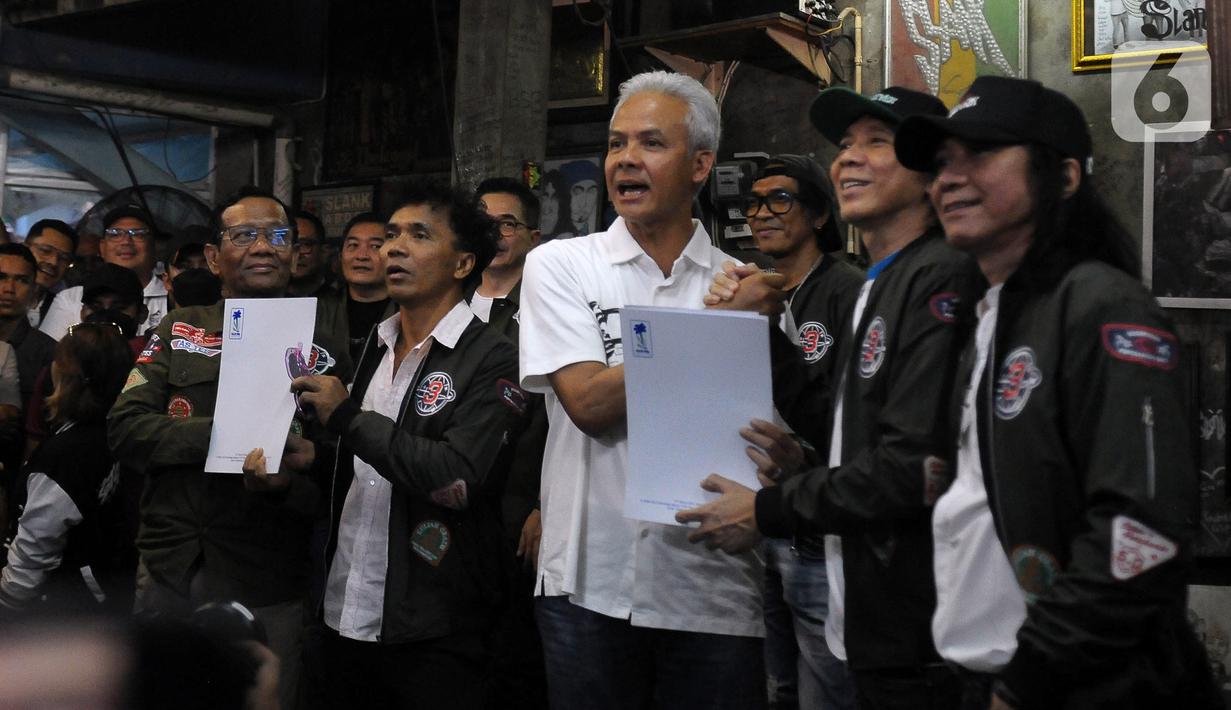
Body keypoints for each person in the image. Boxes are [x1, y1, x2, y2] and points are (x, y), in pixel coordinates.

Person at [892, 75, 1222, 710]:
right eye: (940, 164)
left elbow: (1141, 531)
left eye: (981, 153)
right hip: (983, 677)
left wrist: (1028, 682)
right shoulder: (985, 312)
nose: (948, 179)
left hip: (1075, 688)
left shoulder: (1100, 304)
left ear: (1064, 177)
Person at [679, 86, 980, 710]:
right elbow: (839, 427)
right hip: (870, 603)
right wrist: (765, 333)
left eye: (878, 142)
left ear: (933, 169)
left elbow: (910, 469)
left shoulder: (940, 276)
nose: (849, 159)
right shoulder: (881, 282)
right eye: (845, 145)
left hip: (923, 621)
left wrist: (766, 509)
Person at [519, 70, 766, 710]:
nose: (625, 159)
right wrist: (715, 328)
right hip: (589, 585)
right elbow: (591, 406)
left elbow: (772, 440)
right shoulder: (561, 266)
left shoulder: (742, 284)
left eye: (651, 143)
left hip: (713, 587)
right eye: (615, 143)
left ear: (700, 165)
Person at [107, 192, 351, 710]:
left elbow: (341, 467)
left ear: (294, 253)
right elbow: (125, 429)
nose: (264, 246)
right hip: (172, 561)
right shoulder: (180, 329)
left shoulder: (329, 342)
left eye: (279, 236)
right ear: (215, 258)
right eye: (244, 235)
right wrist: (227, 432)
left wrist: (290, 480)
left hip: (268, 570)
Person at [290, 182, 521, 709]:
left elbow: (456, 479)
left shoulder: (493, 356)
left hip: (432, 626)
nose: (392, 248)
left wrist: (347, 416)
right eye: (391, 235)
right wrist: (315, 460)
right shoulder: (378, 339)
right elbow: (371, 465)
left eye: (418, 235)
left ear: (463, 264)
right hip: (344, 605)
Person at [740, 155, 862, 710]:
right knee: (774, 685)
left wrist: (806, 459)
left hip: (821, 519)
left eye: (780, 200)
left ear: (818, 215)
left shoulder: (846, 290)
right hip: (758, 512)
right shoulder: (749, 289)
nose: (761, 212)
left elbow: (852, 416)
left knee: (826, 683)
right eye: (755, 201)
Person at [471, 176, 550, 708]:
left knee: (517, 653)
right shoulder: (443, 302)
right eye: (483, 223)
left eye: (507, 223)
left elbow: (560, 415)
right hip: (451, 498)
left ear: (533, 236)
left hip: (518, 501)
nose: (495, 234)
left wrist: (548, 503)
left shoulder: (551, 309)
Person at [0, 321, 136, 614]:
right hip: (99, 599)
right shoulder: (111, 433)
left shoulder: (65, 456)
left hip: (59, 614)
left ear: (64, 374)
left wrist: (7, 604)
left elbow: (34, 554)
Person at [40, 206, 168, 340]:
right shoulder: (71, 298)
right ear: (102, 247)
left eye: (138, 234)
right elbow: (50, 354)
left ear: (154, 247)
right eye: (115, 233)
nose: (126, 241)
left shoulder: (170, 298)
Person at [335, 212, 394, 365]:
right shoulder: (319, 309)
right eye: (353, 245)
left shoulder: (409, 315)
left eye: (375, 246)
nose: (361, 256)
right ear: (340, 255)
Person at [22, 220, 77, 329]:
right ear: (24, 249)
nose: (53, 262)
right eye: (45, 251)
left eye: (64, 258)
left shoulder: (65, 309)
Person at [288, 210, 335, 298]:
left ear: (324, 252)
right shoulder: (261, 301)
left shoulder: (340, 304)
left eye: (305, 244)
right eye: (288, 244)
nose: (296, 253)